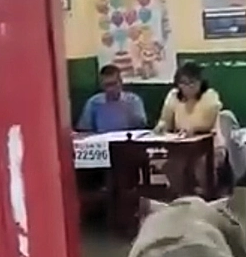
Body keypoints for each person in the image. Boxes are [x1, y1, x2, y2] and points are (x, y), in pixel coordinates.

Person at [155, 61, 224, 196]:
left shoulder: (210, 95)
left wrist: (193, 129)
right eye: (183, 83)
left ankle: (205, 197)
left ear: (200, 82)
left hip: (208, 146)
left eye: (192, 83)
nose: (187, 87)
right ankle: (184, 198)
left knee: (201, 167)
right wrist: (161, 126)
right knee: (170, 166)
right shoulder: (174, 96)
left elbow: (208, 122)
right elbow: (165, 119)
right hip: (181, 145)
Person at [76, 64, 147, 134]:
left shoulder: (133, 101)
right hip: (102, 141)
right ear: (101, 86)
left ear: (121, 82)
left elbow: (142, 127)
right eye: (107, 85)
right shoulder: (93, 103)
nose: (110, 89)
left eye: (114, 84)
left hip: (127, 141)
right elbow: (84, 130)